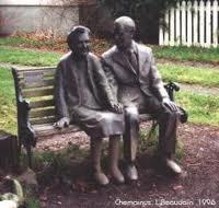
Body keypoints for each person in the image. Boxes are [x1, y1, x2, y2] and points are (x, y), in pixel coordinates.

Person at [101, 16, 183, 181]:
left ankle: (165, 157)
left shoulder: (146, 52)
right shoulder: (108, 57)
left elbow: (156, 78)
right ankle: (130, 162)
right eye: (115, 34)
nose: (116, 38)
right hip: (126, 98)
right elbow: (111, 84)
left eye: (120, 34)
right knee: (131, 116)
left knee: (171, 111)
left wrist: (165, 98)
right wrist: (115, 102)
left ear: (132, 33)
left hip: (147, 95)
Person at [54, 25, 125, 186]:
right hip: (77, 107)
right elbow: (59, 91)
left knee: (117, 117)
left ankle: (113, 167)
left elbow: (103, 83)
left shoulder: (92, 59)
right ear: (71, 45)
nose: (85, 46)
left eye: (87, 42)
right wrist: (64, 115)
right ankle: (96, 170)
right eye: (80, 43)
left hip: (95, 104)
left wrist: (112, 102)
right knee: (101, 122)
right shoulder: (64, 63)